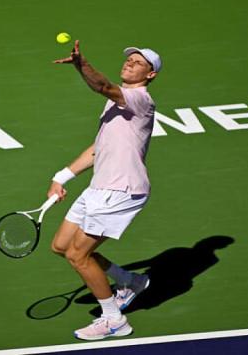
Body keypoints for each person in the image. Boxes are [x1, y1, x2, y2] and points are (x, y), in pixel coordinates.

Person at [48, 40, 162, 340]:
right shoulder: (117, 102)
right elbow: (99, 148)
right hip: (99, 187)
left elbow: (102, 86)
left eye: (138, 63)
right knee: (61, 246)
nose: (130, 63)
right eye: (129, 59)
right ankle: (130, 281)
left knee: (78, 255)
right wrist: (61, 177)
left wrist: (81, 65)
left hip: (122, 190)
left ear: (150, 75)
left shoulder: (139, 99)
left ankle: (114, 320)